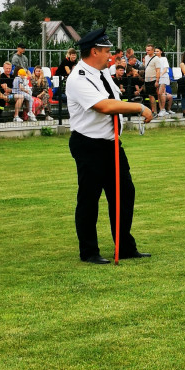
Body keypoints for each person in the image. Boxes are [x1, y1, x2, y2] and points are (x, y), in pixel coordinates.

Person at [66, 28, 153, 264]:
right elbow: (104, 106)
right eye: (106, 52)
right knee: (89, 198)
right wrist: (138, 108)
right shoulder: (79, 77)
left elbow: (114, 101)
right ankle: (89, 251)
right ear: (94, 51)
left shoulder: (102, 75)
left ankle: (124, 246)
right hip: (89, 145)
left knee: (124, 194)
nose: (111, 57)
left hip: (112, 144)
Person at [143, 44, 160, 115]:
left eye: (149, 50)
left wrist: (157, 81)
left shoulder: (156, 59)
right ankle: (152, 110)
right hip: (146, 80)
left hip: (153, 79)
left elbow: (158, 70)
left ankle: (155, 111)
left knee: (152, 95)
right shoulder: (146, 57)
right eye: (146, 50)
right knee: (149, 96)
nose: (147, 51)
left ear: (153, 50)